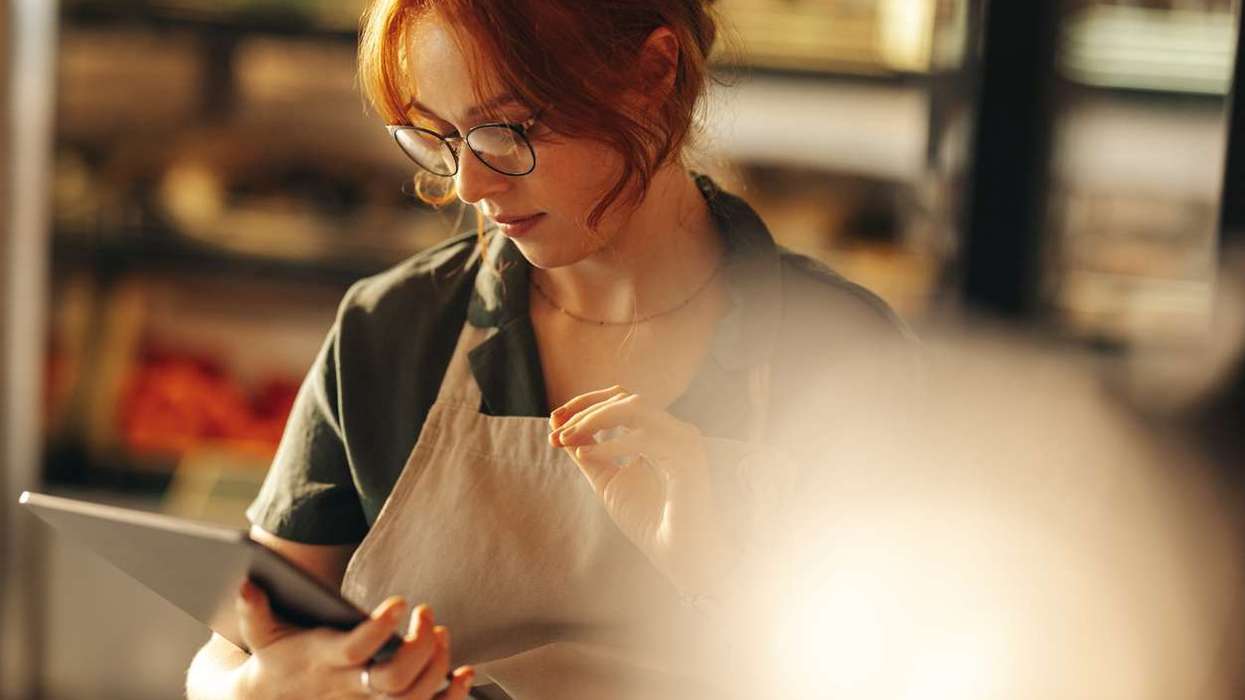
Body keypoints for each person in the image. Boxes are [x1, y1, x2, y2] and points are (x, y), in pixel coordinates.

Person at [185, 1, 909, 698]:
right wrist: (247, 691)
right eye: (434, 135)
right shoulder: (394, 328)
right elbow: (233, 646)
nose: (470, 184)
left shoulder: (839, 356)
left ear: (650, 74)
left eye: (506, 128)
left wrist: (714, 577)